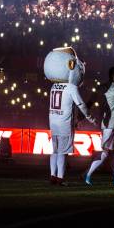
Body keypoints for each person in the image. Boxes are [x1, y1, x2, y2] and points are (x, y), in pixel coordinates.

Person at [44, 47, 96, 185]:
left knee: (54, 150)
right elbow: (81, 104)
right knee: (63, 152)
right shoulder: (71, 87)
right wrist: (90, 118)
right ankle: (60, 178)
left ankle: (52, 176)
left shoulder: (54, 86)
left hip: (53, 121)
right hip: (64, 123)